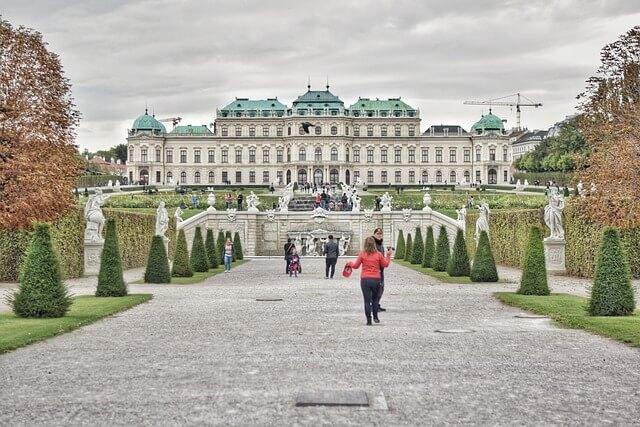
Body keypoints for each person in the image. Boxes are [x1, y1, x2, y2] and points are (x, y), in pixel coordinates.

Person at [347, 236, 393, 325]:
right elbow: (385, 264)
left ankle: (369, 320)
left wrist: (350, 263)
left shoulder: (362, 254)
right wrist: (388, 255)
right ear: (374, 244)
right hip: (376, 279)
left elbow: (356, 266)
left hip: (365, 279)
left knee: (367, 301)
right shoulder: (378, 254)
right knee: (375, 299)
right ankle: (375, 317)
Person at [372, 227, 387, 312]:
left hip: (381, 269)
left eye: (380, 233)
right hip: (375, 269)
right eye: (378, 233)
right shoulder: (372, 243)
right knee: (376, 288)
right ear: (374, 234)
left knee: (381, 287)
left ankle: (376, 304)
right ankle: (374, 306)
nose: (379, 235)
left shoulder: (380, 243)